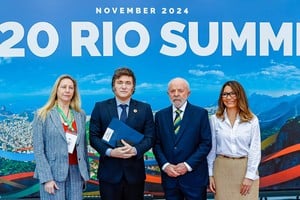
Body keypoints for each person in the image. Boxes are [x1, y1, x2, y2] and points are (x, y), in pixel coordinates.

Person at [89, 67, 155, 200]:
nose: (124, 86)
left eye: (128, 83)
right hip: (109, 174)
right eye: (120, 82)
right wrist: (110, 152)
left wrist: (136, 150)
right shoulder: (100, 107)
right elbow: (93, 137)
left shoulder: (144, 108)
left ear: (133, 87)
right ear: (113, 86)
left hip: (134, 175)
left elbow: (150, 137)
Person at [153, 77, 212, 200]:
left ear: (188, 93)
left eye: (180, 91)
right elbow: (157, 144)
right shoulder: (160, 116)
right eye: (172, 91)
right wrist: (165, 165)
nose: (176, 94)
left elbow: (206, 143)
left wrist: (187, 165)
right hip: (170, 179)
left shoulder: (200, 114)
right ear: (168, 94)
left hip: (194, 178)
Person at [32, 74, 90, 200]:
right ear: (56, 90)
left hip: (76, 172)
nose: (67, 90)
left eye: (71, 88)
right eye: (64, 87)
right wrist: (47, 178)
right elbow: (38, 150)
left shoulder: (80, 114)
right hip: (53, 173)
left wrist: (85, 174)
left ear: (74, 91)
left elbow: (83, 147)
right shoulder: (42, 114)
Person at [207, 80, 261, 199]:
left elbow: (255, 149)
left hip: (245, 169)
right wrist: (210, 175)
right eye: (225, 94)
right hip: (222, 170)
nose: (228, 97)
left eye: (232, 93)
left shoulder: (252, 119)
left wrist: (249, 176)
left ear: (239, 95)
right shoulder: (215, 119)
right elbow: (211, 150)